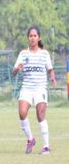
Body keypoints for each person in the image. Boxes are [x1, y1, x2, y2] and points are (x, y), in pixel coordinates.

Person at [12, 26, 56, 154]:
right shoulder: (23, 54)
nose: (32, 38)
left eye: (35, 36)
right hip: (27, 88)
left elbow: (50, 70)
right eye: (30, 36)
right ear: (28, 38)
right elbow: (14, 72)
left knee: (40, 115)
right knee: (22, 112)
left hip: (40, 88)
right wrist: (17, 69)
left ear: (39, 38)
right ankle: (30, 139)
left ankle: (46, 146)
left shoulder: (44, 54)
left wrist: (52, 77)